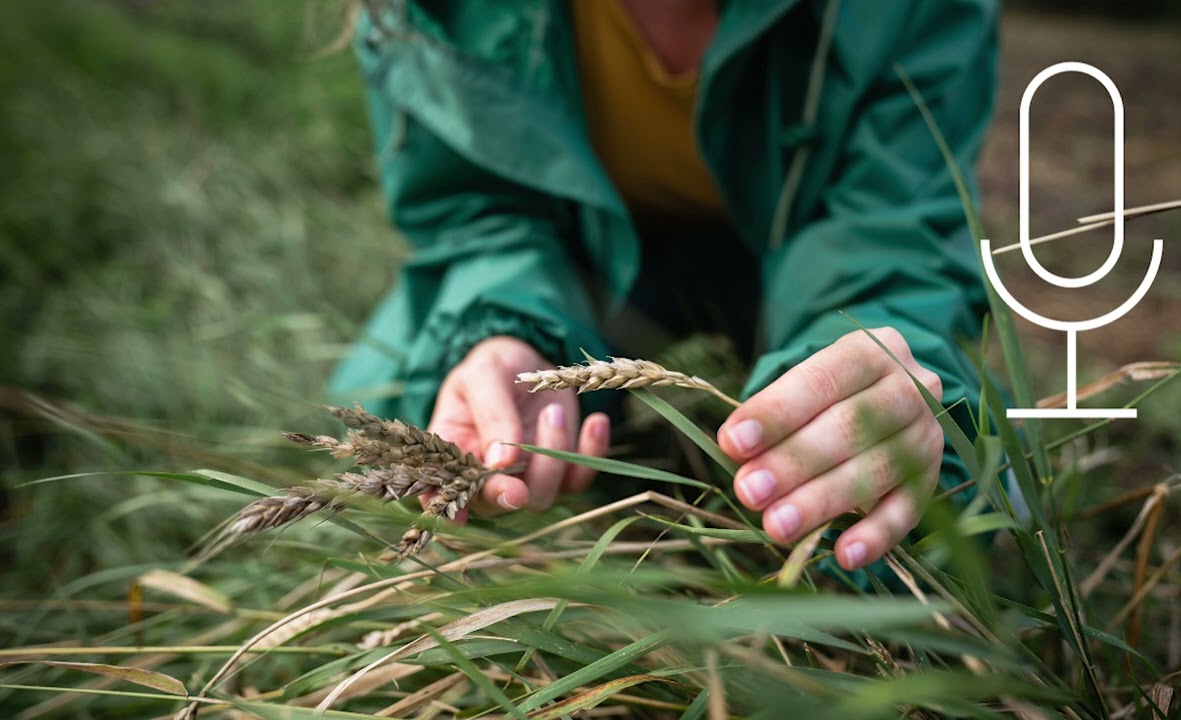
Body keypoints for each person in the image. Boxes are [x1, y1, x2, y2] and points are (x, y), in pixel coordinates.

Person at [330, 0, 998, 574]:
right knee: (390, 391)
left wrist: (866, 371)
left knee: (943, 478)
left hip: (795, 251)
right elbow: (474, 212)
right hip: (573, 253)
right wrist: (505, 327)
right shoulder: (428, 12)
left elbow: (896, 225)